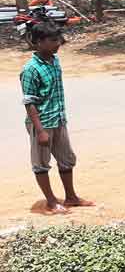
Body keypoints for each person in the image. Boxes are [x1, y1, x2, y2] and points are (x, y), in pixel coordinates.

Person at [20, 23, 94, 214]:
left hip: (59, 119)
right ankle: (51, 202)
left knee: (67, 159)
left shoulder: (55, 61)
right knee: (41, 164)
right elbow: (30, 103)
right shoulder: (30, 69)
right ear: (38, 42)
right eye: (53, 40)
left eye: (58, 39)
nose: (58, 43)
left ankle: (71, 197)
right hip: (42, 123)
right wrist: (41, 131)